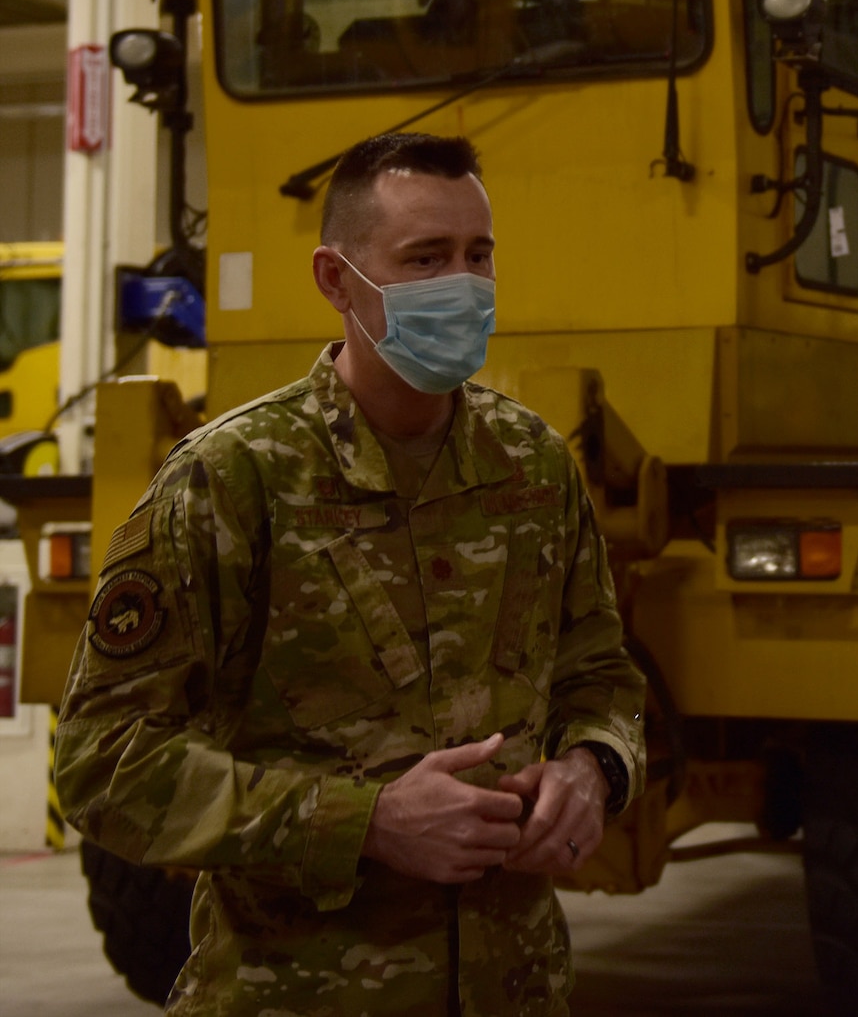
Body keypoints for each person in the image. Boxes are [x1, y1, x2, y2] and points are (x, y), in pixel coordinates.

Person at [54, 133, 646, 1015]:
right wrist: (364, 821)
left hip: (515, 988)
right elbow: (103, 765)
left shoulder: (532, 465)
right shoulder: (235, 477)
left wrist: (594, 768)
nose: (464, 285)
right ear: (337, 281)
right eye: (425, 258)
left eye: (478, 255)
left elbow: (601, 677)